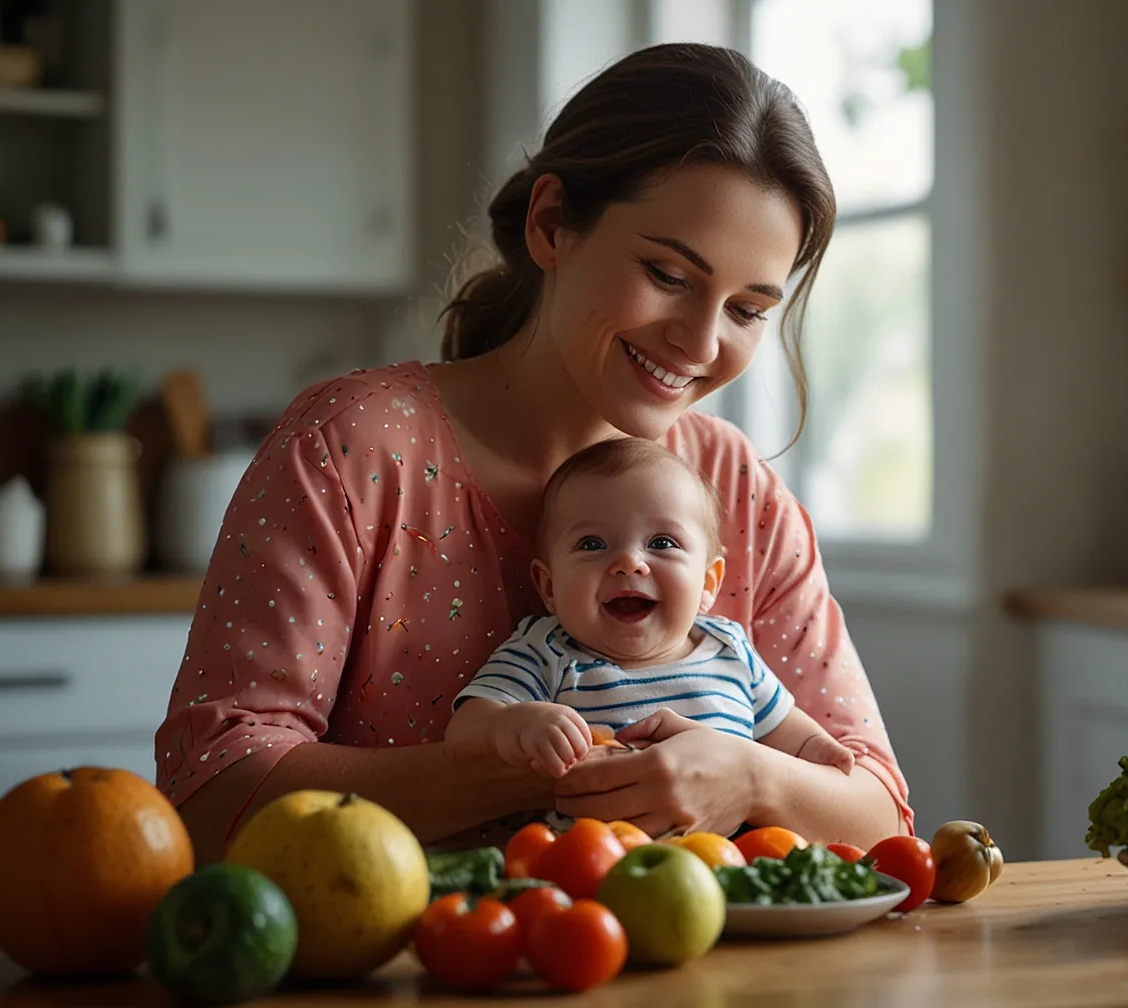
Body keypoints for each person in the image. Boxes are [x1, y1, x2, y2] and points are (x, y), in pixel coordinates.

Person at [153, 42, 911, 859]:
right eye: (668, 275)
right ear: (551, 225)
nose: (699, 343)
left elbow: (880, 811)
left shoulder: (738, 491)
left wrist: (752, 777)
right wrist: (525, 770)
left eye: (747, 310)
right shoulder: (351, 451)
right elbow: (210, 793)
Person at [444, 436, 856, 785]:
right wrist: (516, 725)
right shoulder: (546, 652)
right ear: (549, 587)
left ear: (708, 584)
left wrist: (815, 748)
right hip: (592, 851)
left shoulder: (729, 649)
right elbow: (464, 731)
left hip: (728, 852)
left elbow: (785, 727)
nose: (629, 563)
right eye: (592, 544)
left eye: (661, 543)